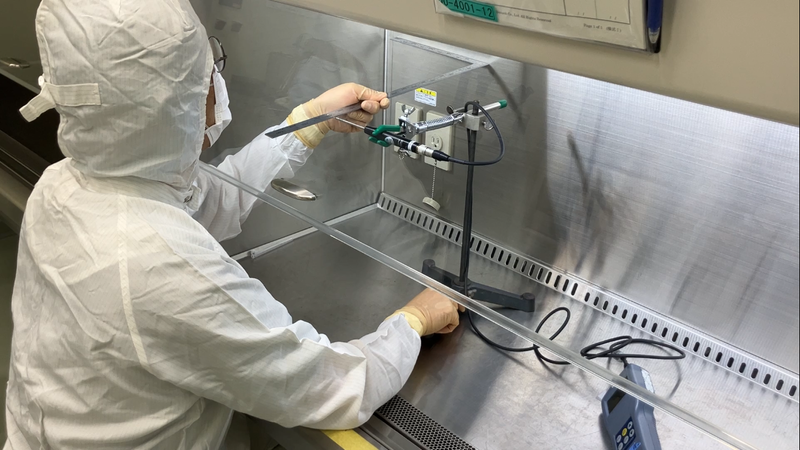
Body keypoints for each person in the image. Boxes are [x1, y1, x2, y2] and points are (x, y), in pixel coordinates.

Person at [4, 1, 462, 449]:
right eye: (208, 70)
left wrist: (310, 121)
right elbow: (331, 387)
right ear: (170, 102)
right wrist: (412, 321)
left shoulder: (64, 185)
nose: (216, 82)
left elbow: (209, 200)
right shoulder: (161, 271)